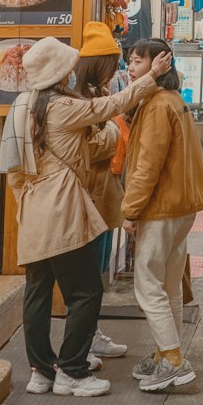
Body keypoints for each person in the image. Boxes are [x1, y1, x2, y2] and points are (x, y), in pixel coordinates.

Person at [0, 36, 171, 398]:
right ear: (61, 72)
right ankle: (73, 371)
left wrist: (25, 202)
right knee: (86, 291)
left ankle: (41, 371)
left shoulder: (21, 104)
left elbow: (12, 170)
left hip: (31, 207)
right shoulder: (61, 107)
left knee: (37, 292)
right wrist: (151, 75)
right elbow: (112, 105)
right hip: (61, 206)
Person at [122, 39, 203, 392]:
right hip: (181, 207)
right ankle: (164, 353)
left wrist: (130, 208)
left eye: (137, 60)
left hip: (160, 207)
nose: (130, 67)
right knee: (170, 283)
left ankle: (173, 358)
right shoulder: (173, 101)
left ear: (159, 64)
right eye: (129, 60)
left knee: (148, 283)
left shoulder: (157, 106)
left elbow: (148, 165)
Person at [76, 19, 131, 365]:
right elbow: (91, 148)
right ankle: (84, 339)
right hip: (90, 197)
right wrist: (113, 131)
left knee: (95, 271)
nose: (117, 71)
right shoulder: (81, 101)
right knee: (89, 273)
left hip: (105, 194)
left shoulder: (99, 95)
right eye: (112, 65)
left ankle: (89, 334)